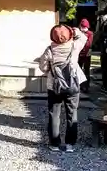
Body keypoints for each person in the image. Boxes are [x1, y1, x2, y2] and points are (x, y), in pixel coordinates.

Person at [38, 24, 88, 152]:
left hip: (55, 86)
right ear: (69, 35)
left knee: (54, 114)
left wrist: (52, 71)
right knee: (72, 113)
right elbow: (83, 38)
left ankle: (54, 143)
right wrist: (76, 31)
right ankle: (70, 144)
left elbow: (43, 67)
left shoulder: (49, 50)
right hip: (73, 85)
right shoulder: (74, 46)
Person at [77, 18, 94, 93]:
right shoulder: (78, 32)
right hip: (79, 54)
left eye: (84, 27)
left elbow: (89, 44)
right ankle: (79, 85)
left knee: (86, 71)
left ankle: (86, 86)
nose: (83, 28)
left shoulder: (90, 33)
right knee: (78, 70)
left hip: (86, 54)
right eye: (82, 27)